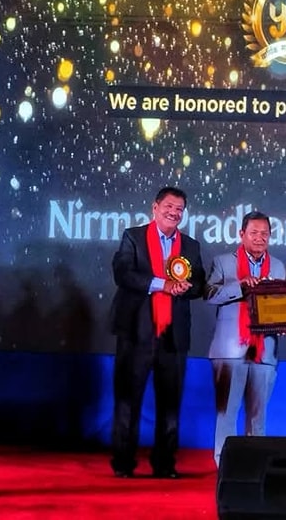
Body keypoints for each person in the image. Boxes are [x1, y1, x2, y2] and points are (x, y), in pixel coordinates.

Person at [109, 187, 205, 479]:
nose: (174, 213)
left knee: (170, 404)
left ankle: (164, 463)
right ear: (155, 207)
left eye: (179, 209)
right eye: (169, 206)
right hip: (137, 333)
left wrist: (186, 287)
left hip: (173, 337)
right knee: (128, 401)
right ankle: (123, 463)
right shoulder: (133, 237)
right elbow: (123, 273)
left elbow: (200, 284)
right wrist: (162, 284)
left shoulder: (190, 246)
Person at [205, 211, 286, 467]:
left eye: (265, 233)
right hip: (230, 350)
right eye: (254, 233)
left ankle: (255, 464)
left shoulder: (279, 266)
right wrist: (241, 285)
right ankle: (225, 463)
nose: (260, 238)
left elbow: (284, 305)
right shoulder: (222, 262)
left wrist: (285, 322)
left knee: (258, 416)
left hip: (265, 350)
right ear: (242, 234)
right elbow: (209, 294)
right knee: (226, 414)